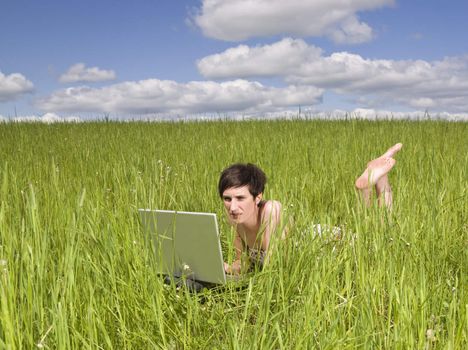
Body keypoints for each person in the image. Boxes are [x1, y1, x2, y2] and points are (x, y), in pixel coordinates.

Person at [220, 143, 403, 275]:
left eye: (240, 198)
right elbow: (243, 264)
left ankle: (369, 186)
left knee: (378, 241)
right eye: (227, 199)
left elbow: (274, 267)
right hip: (316, 254)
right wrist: (224, 268)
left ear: (257, 196)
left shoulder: (271, 209)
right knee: (374, 240)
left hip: (321, 243)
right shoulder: (236, 220)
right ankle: (380, 177)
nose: (233, 207)